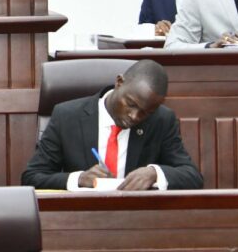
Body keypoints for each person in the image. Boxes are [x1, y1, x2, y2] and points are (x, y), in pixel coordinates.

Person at [21, 60, 202, 190]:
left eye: (146, 112)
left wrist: (154, 173)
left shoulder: (161, 120)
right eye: (131, 104)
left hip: (137, 219)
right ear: (119, 82)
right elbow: (32, 177)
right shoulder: (67, 116)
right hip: (81, 218)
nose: (135, 116)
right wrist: (79, 179)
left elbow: (192, 176)